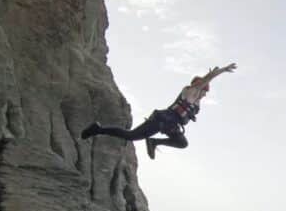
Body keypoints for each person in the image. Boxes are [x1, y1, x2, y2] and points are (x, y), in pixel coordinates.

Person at [81, 63, 237, 159]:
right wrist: (222, 70)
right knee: (131, 136)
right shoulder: (190, 92)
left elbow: (205, 85)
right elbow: (207, 79)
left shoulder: (196, 103)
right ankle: (97, 129)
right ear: (200, 88)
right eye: (204, 91)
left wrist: (212, 74)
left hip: (171, 126)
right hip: (161, 120)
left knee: (182, 143)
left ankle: (154, 141)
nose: (205, 94)